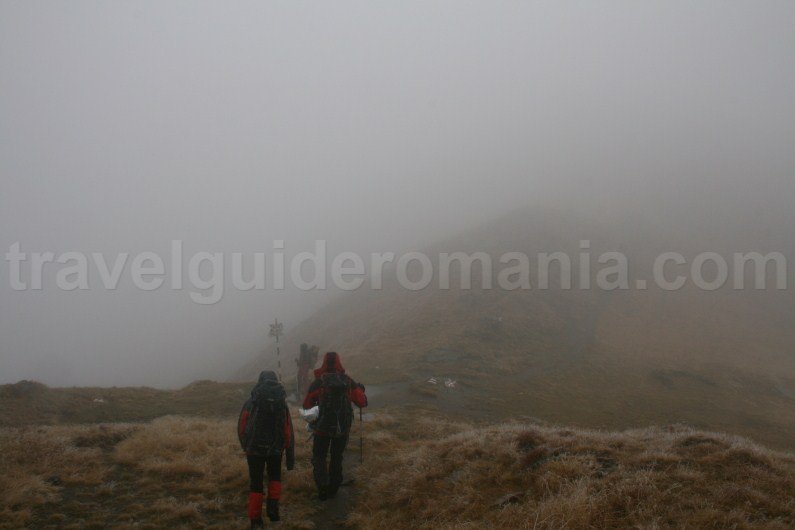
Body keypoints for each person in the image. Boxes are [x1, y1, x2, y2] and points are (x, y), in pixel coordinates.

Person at [303, 352, 367, 500]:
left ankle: (322, 486)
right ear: (339, 362)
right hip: (342, 429)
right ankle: (334, 487)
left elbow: (306, 405)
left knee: (319, 456)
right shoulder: (347, 381)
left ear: (324, 363)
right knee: (337, 456)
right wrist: (360, 390)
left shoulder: (319, 382)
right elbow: (362, 402)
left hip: (322, 428)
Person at [238, 371, 295, 528]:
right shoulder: (281, 403)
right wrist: (286, 449)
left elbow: (242, 426)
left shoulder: (252, 401)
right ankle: (273, 509)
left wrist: (246, 445)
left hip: (254, 449)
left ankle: (256, 520)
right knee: (275, 476)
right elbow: (287, 430)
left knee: (256, 483)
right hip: (275, 448)